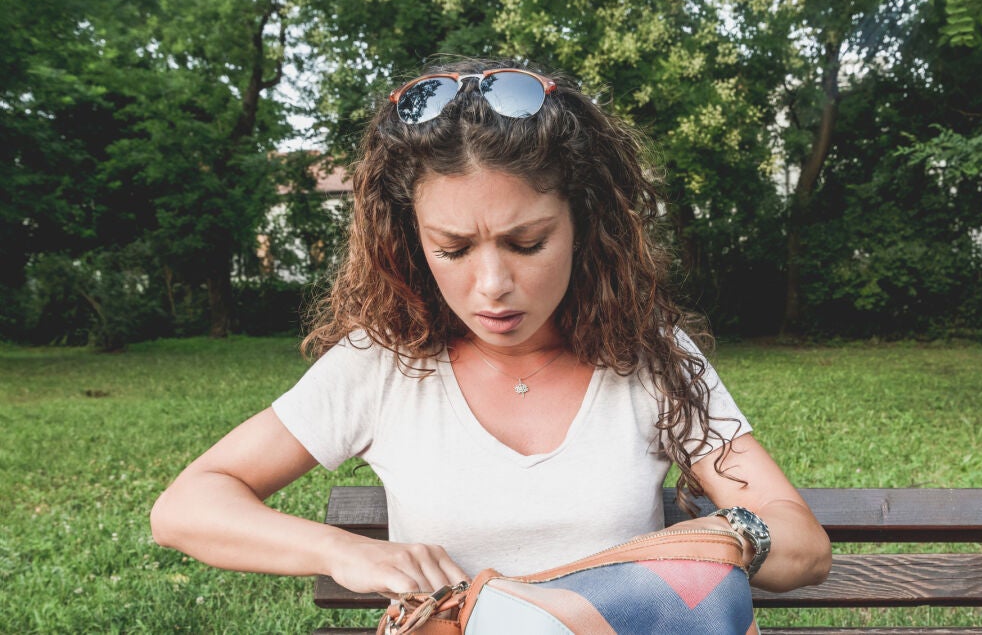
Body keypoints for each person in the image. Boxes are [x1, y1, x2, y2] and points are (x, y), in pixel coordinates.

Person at [150, 59, 831, 603]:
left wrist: (717, 540)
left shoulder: (648, 354)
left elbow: (803, 545)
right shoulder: (381, 364)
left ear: (585, 224)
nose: (492, 285)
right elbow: (186, 506)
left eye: (527, 243)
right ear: (411, 242)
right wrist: (342, 550)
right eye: (452, 249)